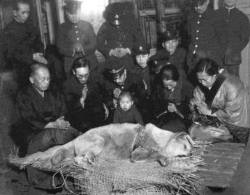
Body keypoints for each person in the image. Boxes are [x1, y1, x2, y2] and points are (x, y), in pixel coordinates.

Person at [16, 63, 78, 193]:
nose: (46, 82)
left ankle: (79, 174)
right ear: (32, 80)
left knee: (74, 134)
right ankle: (41, 180)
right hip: (33, 135)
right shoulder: (23, 95)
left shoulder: (53, 91)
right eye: (42, 79)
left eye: (48, 78)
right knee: (54, 133)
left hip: (55, 130)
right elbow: (27, 119)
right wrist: (51, 124)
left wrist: (61, 120)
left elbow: (62, 108)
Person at [190, 58, 250, 143]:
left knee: (203, 134)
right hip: (217, 121)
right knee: (193, 130)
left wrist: (209, 112)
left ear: (215, 75)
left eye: (205, 80)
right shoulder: (205, 84)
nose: (202, 83)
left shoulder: (232, 86)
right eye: (199, 80)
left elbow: (233, 115)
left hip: (237, 126)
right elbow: (197, 100)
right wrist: (195, 105)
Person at [3, 0, 47, 87]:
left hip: (36, 64)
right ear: (15, 13)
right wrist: (32, 57)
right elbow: (11, 54)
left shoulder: (31, 26)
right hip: (19, 69)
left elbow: (39, 43)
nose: (26, 15)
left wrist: (40, 54)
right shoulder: (8, 31)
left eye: (28, 12)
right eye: (23, 12)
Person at [97, 2, 145, 72]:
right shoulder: (106, 26)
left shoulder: (132, 24)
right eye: (114, 20)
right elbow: (99, 43)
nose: (117, 23)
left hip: (129, 59)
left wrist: (128, 50)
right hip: (112, 60)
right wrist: (110, 51)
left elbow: (140, 40)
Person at [63, 57, 107, 132]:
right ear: (74, 72)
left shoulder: (95, 77)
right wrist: (82, 99)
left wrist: (105, 104)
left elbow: (105, 90)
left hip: (97, 113)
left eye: (86, 75)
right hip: (80, 118)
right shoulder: (68, 85)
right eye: (80, 76)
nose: (83, 79)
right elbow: (69, 109)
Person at [56, 0, 98, 77]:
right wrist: (72, 49)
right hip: (71, 63)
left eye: (77, 13)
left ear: (80, 11)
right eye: (71, 14)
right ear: (66, 13)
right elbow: (60, 47)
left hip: (90, 61)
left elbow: (94, 43)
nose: (74, 17)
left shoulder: (87, 25)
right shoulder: (62, 28)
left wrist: (83, 49)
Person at [151, 64, 193, 132]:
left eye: (171, 85)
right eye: (165, 85)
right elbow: (156, 103)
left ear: (176, 80)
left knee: (165, 129)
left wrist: (176, 110)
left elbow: (190, 113)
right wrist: (166, 105)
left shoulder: (187, 88)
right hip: (165, 115)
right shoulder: (159, 86)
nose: (169, 88)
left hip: (181, 118)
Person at [186, 0, 225, 73]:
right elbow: (190, 36)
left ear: (207, 2)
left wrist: (217, 61)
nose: (197, 8)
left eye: (200, 5)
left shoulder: (215, 17)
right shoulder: (191, 17)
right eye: (195, 5)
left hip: (210, 59)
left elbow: (222, 40)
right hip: (193, 59)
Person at [216, 0, 250, 76]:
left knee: (234, 84)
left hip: (233, 60)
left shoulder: (242, 17)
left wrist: (234, 49)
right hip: (217, 58)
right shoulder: (215, 14)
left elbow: (245, 38)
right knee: (217, 84)